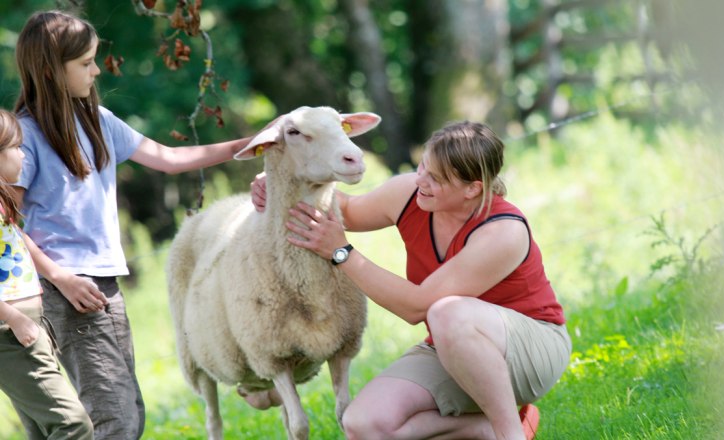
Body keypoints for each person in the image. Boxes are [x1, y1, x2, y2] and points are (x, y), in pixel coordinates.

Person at [12, 10, 251, 440]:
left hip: (105, 286)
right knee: (114, 420)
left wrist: (252, 144)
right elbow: (4, 221)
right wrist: (61, 277)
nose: (96, 69)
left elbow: (171, 159)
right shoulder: (25, 137)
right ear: (50, 70)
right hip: (63, 290)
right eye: (84, 63)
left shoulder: (97, 120)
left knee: (127, 411)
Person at [252, 121, 572, 439]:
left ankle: (508, 436)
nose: (421, 180)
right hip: (453, 345)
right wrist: (283, 182)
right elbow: (344, 211)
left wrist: (341, 252)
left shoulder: (503, 232)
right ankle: (486, 429)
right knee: (362, 424)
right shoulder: (411, 193)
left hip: (531, 350)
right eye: (422, 166)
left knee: (445, 312)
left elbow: (418, 307)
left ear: (473, 188)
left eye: (435, 178)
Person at [0, 109, 94, 439]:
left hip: (25, 323)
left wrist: (57, 275)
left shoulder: (1, 203)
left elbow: (17, 240)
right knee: (71, 424)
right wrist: (14, 318)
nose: (24, 157)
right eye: (17, 148)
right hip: (10, 330)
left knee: (43, 430)